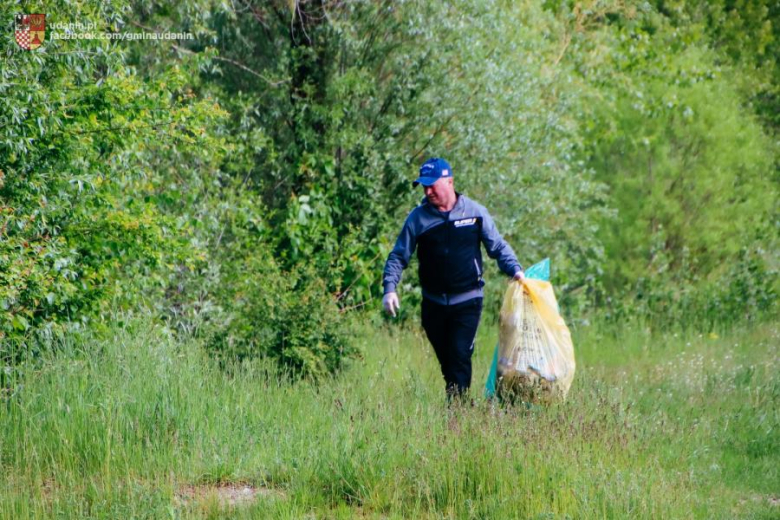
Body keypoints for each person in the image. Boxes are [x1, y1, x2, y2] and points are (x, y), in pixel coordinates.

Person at [382, 157, 525, 401]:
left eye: (432, 186)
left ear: (449, 182)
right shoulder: (417, 219)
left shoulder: (475, 213)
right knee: (448, 361)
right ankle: (459, 403)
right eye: (424, 187)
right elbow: (398, 256)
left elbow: (498, 247)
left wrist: (516, 270)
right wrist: (389, 288)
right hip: (433, 303)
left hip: (468, 300)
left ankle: (458, 410)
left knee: (459, 355)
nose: (427, 192)